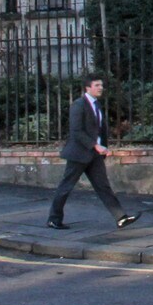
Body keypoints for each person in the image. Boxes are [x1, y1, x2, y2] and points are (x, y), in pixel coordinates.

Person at [47, 75, 139, 230]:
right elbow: (76, 131)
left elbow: (99, 130)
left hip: (94, 155)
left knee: (103, 186)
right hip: (79, 153)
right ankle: (54, 219)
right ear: (88, 88)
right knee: (66, 186)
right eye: (97, 85)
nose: (101, 88)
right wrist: (96, 146)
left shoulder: (97, 105)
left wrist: (102, 147)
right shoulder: (79, 105)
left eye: (101, 85)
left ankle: (121, 218)